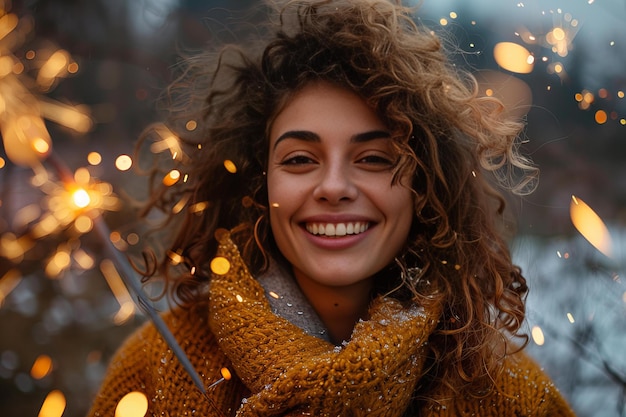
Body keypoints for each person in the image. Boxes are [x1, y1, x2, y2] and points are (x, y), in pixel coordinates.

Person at [88, 0, 576, 416]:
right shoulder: (155, 372)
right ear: (259, 183)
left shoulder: (507, 394)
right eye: (300, 159)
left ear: (424, 186)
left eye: (373, 158)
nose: (334, 186)